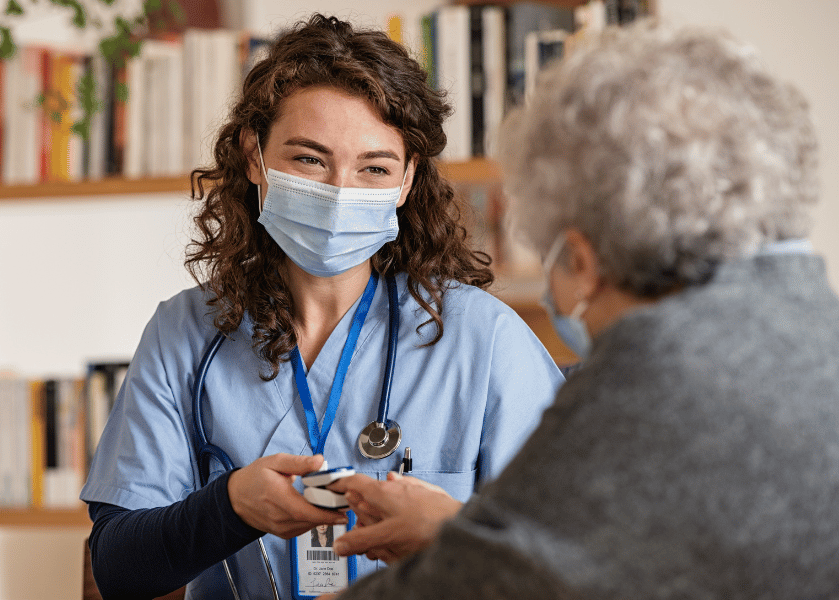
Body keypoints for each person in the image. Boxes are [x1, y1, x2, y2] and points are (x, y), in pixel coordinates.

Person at [325, 20, 839, 599]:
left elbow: (501, 577)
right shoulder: (811, 316)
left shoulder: (654, 372)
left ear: (582, 260)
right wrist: (453, 531)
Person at [79, 13, 563, 600]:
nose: (340, 191)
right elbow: (118, 567)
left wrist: (448, 536)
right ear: (254, 156)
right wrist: (229, 506)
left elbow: (569, 561)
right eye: (309, 160)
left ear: (407, 181)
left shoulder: (483, 340)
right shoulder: (186, 334)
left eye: (375, 168)